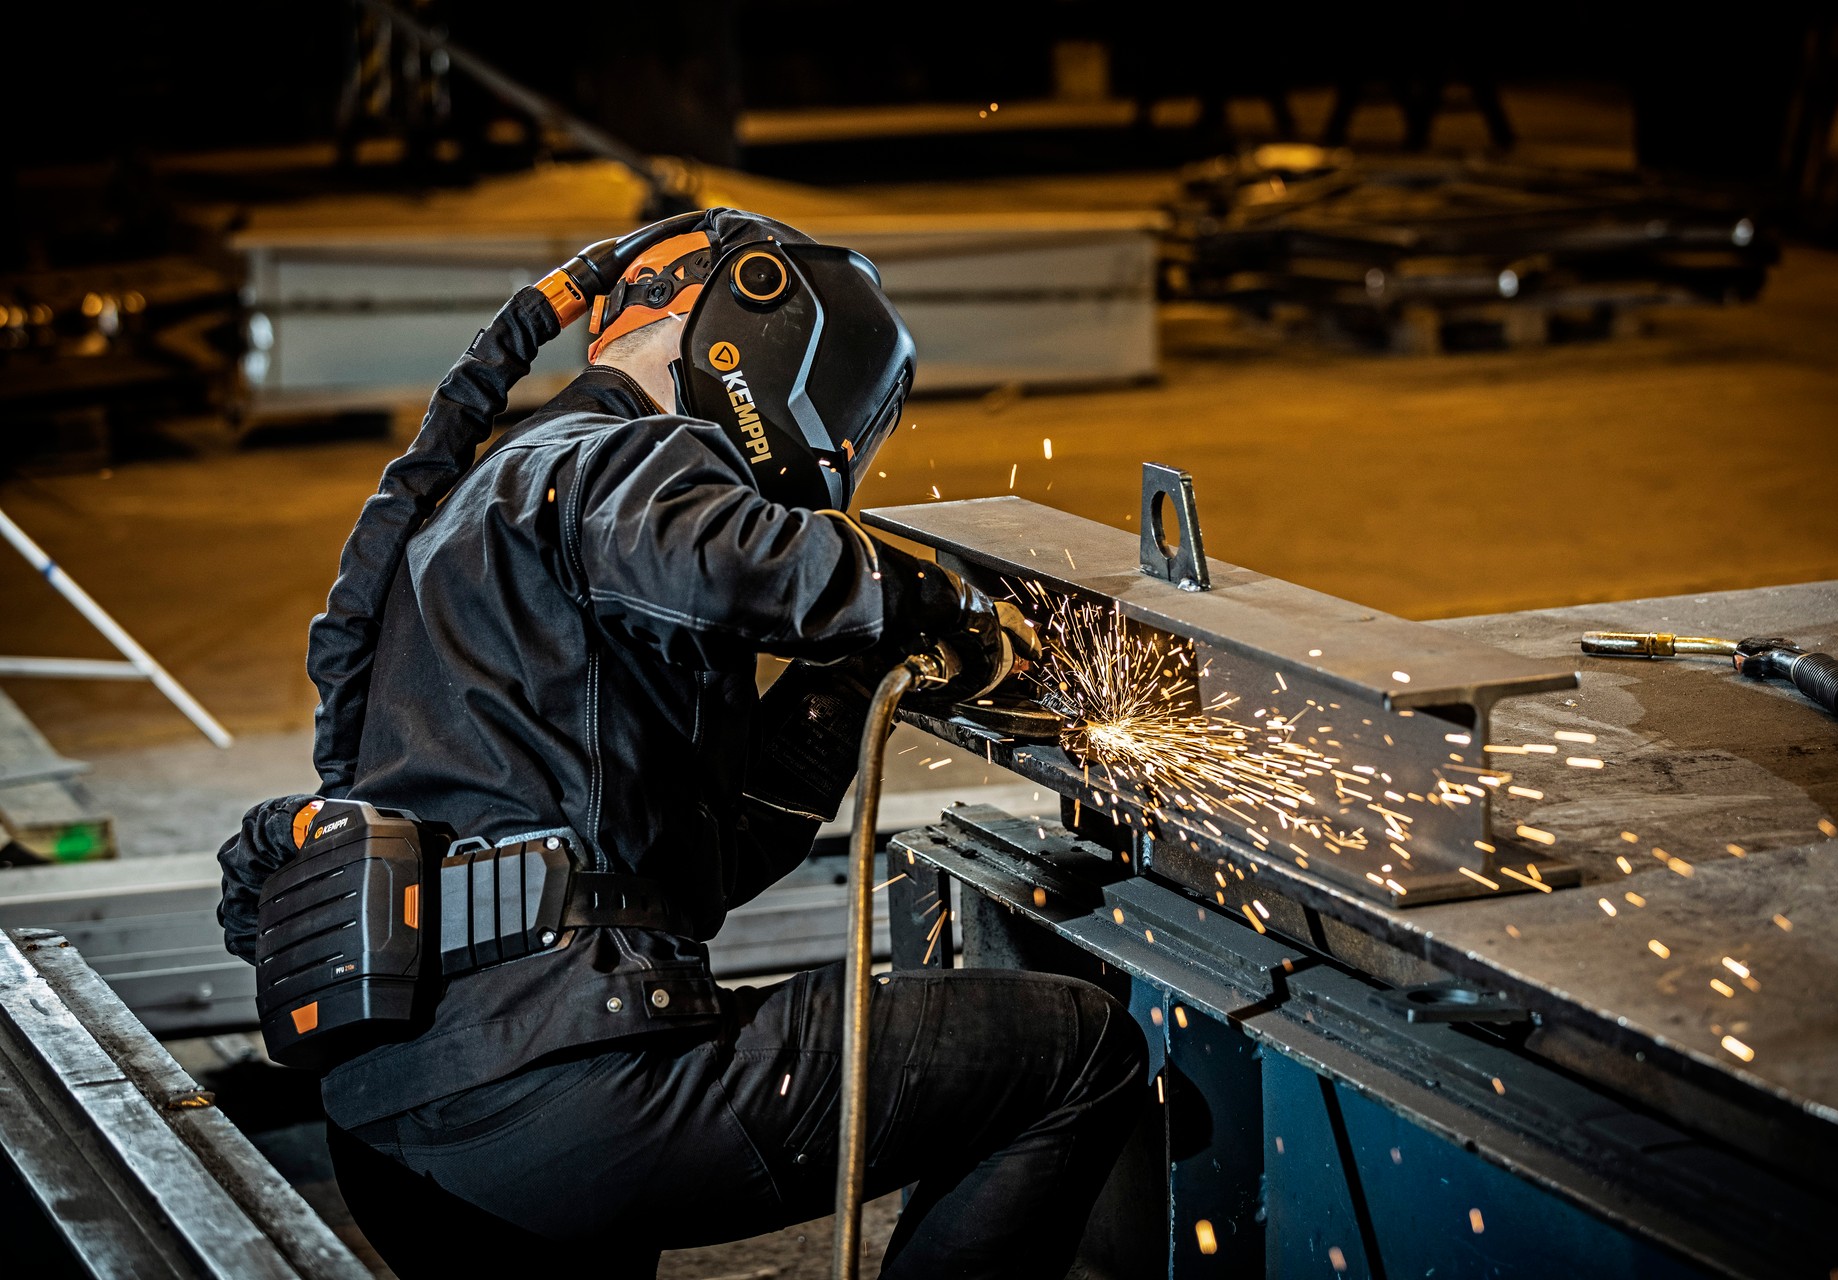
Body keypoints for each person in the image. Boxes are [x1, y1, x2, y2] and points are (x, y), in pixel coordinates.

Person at [218, 208, 1146, 1277]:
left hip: (403, 1125)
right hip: (567, 1089)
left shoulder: (473, 514)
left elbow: (708, 864)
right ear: (748, 317)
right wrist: (930, 600)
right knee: (1075, 1050)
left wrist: (844, 681)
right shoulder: (614, 458)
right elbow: (736, 558)